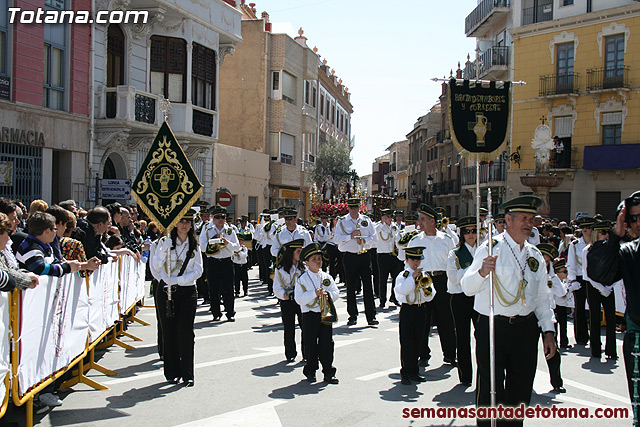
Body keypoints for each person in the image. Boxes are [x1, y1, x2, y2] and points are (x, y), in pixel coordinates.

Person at [461, 195, 556, 426]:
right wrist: (482, 272)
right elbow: (466, 287)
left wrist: (548, 331)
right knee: (490, 392)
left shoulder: (534, 255)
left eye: (531, 219)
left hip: (525, 329)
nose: (528, 223)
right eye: (523, 218)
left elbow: (543, 296)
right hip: (494, 326)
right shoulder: (491, 248)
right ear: (508, 220)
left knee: (521, 391)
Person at [586, 191, 640, 425]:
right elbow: (600, 274)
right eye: (633, 218)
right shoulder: (629, 252)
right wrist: (615, 236)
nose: (638, 223)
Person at [151, 209, 203, 386]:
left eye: (188, 222)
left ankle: (188, 373)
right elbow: (155, 268)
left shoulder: (195, 244)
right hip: (166, 291)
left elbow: (198, 270)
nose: (184, 225)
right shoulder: (163, 243)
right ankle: (171, 372)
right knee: (169, 332)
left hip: (187, 291)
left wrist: (179, 280)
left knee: (186, 333)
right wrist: (163, 249)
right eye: (181, 221)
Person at [406, 203, 456, 367]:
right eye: (419, 219)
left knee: (446, 319)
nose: (419, 223)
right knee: (423, 320)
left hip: (442, 281)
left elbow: (454, 262)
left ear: (432, 221)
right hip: (423, 280)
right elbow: (407, 262)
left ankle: (449, 354)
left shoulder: (447, 240)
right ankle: (423, 353)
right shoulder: (415, 240)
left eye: (422, 219)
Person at [295, 242, 339, 384]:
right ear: (306, 262)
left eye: (319, 259)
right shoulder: (302, 279)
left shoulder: (326, 276)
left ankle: (328, 371)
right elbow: (299, 298)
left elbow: (335, 292)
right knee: (310, 343)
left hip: (324, 312)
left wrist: (327, 296)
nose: (318, 262)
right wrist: (314, 293)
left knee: (327, 343)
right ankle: (311, 370)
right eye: (314, 259)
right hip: (310, 314)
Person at [334, 198, 378, 326]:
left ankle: (371, 316)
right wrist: (350, 237)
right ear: (348, 208)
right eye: (351, 208)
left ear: (359, 208)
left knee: (368, 287)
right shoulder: (342, 221)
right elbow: (336, 239)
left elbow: (374, 237)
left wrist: (364, 241)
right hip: (350, 257)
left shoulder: (366, 220)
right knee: (351, 287)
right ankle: (352, 315)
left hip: (364, 256)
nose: (354, 210)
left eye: (356, 208)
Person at [394, 246, 435, 385]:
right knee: (407, 343)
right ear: (406, 260)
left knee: (419, 341)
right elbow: (401, 291)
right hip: (408, 310)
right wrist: (412, 278)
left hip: (421, 309)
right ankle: (405, 371)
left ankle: (414, 371)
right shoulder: (403, 275)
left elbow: (431, 296)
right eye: (413, 259)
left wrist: (425, 287)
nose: (416, 262)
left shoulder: (425, 276)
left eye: (418, 259)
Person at [446, 216, 477, 387]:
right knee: (463, 338)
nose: (471, 235)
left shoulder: (483, 251)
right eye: (467, 232)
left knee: (482, 337)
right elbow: (454, 278)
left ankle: (484, 374)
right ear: (462, 234)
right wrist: (473, 269)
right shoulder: (455, 253)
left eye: (473, 231)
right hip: (460, 297)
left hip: (479, 297)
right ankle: (465, 376)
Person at [583, 220, 618, 360]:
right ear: (597, 234)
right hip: (593, 286)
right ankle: (596, 349)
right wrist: (600, 288)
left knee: (611, 319)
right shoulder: (588, 250)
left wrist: (608, 287)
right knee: (595, 318)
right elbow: (586, 274)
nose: (606, 235)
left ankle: (611, 350)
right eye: (603, 232)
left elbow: (616, 269)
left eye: (607, 232)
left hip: (609, 286)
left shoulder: (611, 249)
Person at [199, 206, 240, 322]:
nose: (220, 220)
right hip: (213, 262)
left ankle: (230, 312)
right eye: (218, 217)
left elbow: (237, 247)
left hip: (227, 261)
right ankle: (216, 312)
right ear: (213, 218)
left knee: (228, 289)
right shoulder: (207, 230)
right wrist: (214, 242)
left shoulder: (230, 230)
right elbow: (202, 247)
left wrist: (227, 243)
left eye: (223, 217)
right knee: (213, 288)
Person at [537, 243, 565, 393]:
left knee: (553, 350)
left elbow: (561, 292)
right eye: (543, 259)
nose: (545, 263)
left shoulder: (551, 277)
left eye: (548, 261)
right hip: (533, 316)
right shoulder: (531, 273)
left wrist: (553, 276)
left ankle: (557, 381)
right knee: (527, 352)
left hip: (550, 317)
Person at [273, 239, 306, 362]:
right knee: (289, 327)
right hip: (287, 300)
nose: (301, 254)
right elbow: (276, 287)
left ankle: (306, 353)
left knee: (305, 327)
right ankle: (290, 353)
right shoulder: (280, 269)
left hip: (301, 300)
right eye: (298, 251)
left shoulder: (303, 267)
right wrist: (283, 295)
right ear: (291, 252)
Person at [566, 216, 595, 346]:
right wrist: (572, 281)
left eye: (588, 227)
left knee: (594, 309)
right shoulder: (575, 244)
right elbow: (571, 263)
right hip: (580, 278)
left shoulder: (596, 244)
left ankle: (595, 337)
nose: (585, 229)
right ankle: (581, 337)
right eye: (582, 227)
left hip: (593, 278)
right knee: (579, 308)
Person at [0, 212, 39, 291]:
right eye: (8, 232)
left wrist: (26, 274)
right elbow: (8, 279)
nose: (9, 238)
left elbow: (11, 268)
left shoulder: (2, 253)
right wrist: (27, 280)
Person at [375, 209, 399, 309]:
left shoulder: (394, 226)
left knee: (396, 278)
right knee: (383, 279)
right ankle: (382, 300)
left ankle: (394, 297)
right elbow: (374, 232)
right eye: (388, 217)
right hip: (383, 256)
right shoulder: (378, 226)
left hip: (393, 255)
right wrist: (382, 223)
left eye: (391, 217)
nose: (391, 219)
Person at [552, 258, 574, 350]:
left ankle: (564, 342)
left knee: (563, 325)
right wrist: (569, 289)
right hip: (556, 305)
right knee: (555, 326)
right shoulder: (554, 281)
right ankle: (554, 342)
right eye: (564, 271)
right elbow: (562, 293)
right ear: (557, 273)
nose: (566, 273)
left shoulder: (563, 281)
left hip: (563, 305)